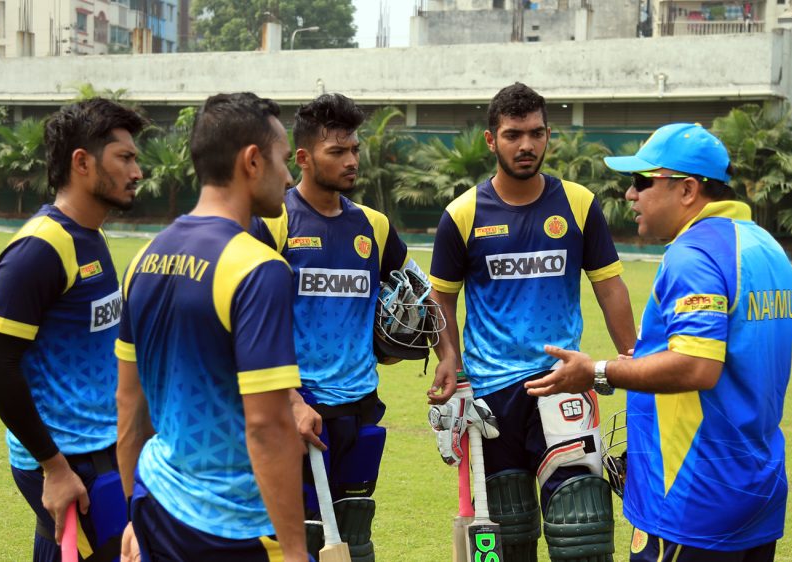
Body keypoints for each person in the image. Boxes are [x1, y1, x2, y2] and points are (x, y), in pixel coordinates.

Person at [526, 123, 792, 562]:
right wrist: (650, 358)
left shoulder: (694, 255)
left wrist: (596, 372)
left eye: (641, 182)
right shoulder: (764, 247)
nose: (630, 195)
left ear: (687, 189)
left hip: (693, 497)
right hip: (756, 486)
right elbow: (736, 354)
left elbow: (696, 367)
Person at [428, 82, 636, 562]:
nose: (526, 145)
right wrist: (449, 359)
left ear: (548, 136)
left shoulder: (579, 204)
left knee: (581, 526)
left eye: (536, 133)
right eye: (514, 134)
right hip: (491, 394)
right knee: (506, 532)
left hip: (563, 382)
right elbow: (442, 297)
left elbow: (610, 286)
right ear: (490, 140)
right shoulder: (462, 214)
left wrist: (634, 362)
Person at [114, 92, 310, 562]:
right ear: (251, 161)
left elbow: (128, 403)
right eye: (283, 161)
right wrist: (297, 552)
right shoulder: (258, 268)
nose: (288, 177)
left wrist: (131, 517)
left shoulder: (144, 258)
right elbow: (268, 426)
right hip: (228, 527)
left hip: (156, 503)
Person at [250, 93, 442, 562]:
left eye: (355, 149)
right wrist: (290, 401)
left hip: (360, 404)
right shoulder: (272, 225)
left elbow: (423, 293)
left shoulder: (373, 226)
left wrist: (447, 361)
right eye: (337, 151)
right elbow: (247, 328)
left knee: (355, 538)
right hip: (297, 409)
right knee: (304, 539)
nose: (351, 160)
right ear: (303, 158)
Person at [0, 98, 146, 562]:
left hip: (97, 448)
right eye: (125, 158)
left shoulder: (89, 234)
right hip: (66, 458)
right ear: (82, 162)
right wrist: (53, 468)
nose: (138, 172)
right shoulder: (39, 249)